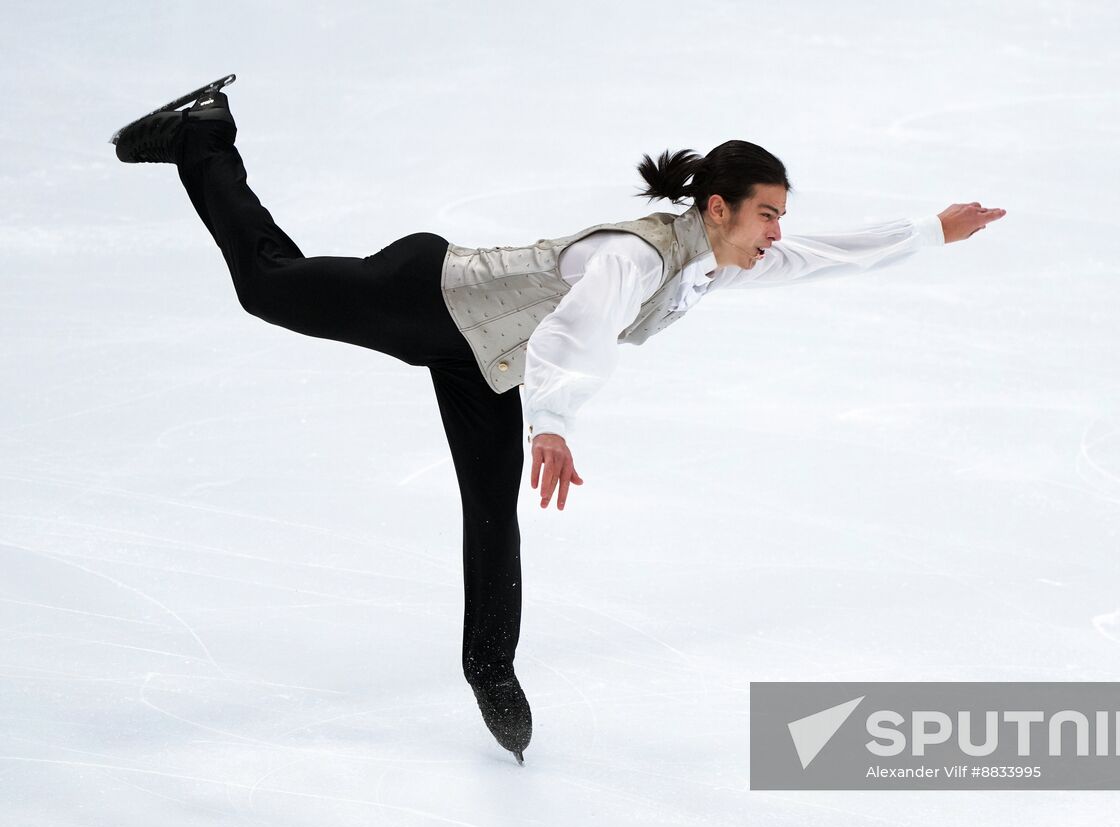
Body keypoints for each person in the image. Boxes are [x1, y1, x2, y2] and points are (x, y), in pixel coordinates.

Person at [112, 78, 1007, 766]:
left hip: (484, 360)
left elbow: (814, 257)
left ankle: (489, 669)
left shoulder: (709, 260)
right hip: (428, 297)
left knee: (490, 508)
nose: (775, 231)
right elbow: (576, 333)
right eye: (766, 213)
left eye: (779, 215)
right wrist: (553, 424)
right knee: (267, 286)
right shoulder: (633, 256)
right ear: (718, 208)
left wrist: (931, 230)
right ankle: (204, 133)